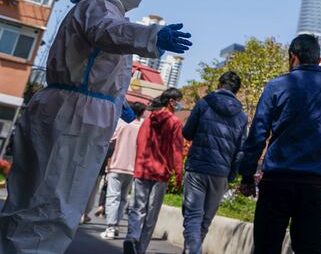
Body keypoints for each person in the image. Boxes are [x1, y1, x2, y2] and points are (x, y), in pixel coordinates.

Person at [0, 0, 192, 254]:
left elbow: (98, 65)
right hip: (75, 115)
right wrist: (151, 36)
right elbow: (108, 32)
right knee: (54, 201)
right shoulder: (99, 7)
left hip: (73, 107)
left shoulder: (101, 9)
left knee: (35, 198)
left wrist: (118, 102)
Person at [239, 34, 321, 254]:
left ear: (293, 57)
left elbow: (259, 133)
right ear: (318, 60)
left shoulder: (277, 86)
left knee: (266, 248)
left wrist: (247, 175)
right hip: (314, 185)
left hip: (277, 181)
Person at [181, 71, 249, 254]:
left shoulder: (204, 103)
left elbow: (187, 133)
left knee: (193, 218)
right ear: (236, 91)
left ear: (219, 85)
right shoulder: (242, 117)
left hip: (197, 167)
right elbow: (240, 152)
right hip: (221, 173)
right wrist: (231, 175)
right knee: (204, 221)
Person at [124, 88, 186, 254]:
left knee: (137, 207)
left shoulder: (149, 119)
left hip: (143, 168)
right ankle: (140, 249)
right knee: (152, 213)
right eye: (179, 100)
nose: (180, 104)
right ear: (171, 102)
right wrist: (179, 174)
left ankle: (132, 236)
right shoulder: (175, 123)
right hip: (161, 172)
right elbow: (177, 149)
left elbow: (140, 141)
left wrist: (139, 163)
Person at [101, 101, 147, 239]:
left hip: (117, 165)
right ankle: (116, 225)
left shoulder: (121, 124)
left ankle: (110, 227)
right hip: (132, 168)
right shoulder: (142, 127)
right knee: (122, 198)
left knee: (112, 197)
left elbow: (111, 142)